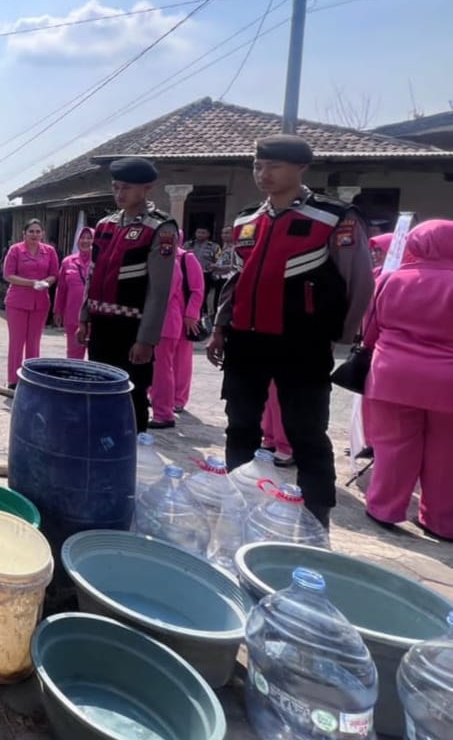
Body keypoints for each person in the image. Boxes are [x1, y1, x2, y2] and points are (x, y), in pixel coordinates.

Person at [208, 134, 374, 528]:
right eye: (257, 166)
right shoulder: (247, 218)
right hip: (246, 339)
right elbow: (237, 277)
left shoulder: (334, 216)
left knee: (307, 433)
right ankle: (238, 497)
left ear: (301, 168)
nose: (262, 174)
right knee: (241, 423)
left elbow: (360, 281)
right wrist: (219, 325)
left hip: (303, 341)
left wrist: (344, 334)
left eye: (273, 166)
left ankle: (318, 516)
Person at [362, 220, 453, 540]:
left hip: (393, 374)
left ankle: (384, 508)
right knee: (446, 453)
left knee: (393, 446)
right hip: (447, 382)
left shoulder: (391, 279)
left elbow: (370, 329)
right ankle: (441, 521)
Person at [77, 158, 177, 432]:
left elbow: (159, 289)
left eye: (127, 188)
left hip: (133, 328)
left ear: (147, 188)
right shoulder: (106, 225)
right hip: (101, 325)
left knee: (131, 396)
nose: (120, 194)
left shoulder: (160, 228)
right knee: (98, 390)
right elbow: (92, 274)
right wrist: (84, 316)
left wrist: (146, 339)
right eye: (116, 187)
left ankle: (132, 456)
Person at [149, 246, 204, 428]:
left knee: (178, 362)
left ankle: (176, 401)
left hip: (174, 318)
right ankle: (160, 399)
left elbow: (197, 290)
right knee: (162, 367)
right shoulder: (160, 258)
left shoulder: (183, 258)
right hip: (166, 319)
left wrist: (191, 314)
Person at [3, 219, 59, 388]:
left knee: (34, 342)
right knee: (17, 342)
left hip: (40, 302)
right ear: (24, 234)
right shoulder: (16, 250)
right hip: (17, 302)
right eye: (31, 231)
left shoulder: (49, 251)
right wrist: (32, 283)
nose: (34, 234)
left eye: (37, 231)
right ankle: (13, 380)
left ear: (42, 234)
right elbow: (8, 275)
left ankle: (31, 378)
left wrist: (46, 283)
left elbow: (54, 274)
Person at [53, 226, 94, 360]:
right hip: (72, 315)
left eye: (89, 238)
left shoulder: (100, 261)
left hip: (94, 317)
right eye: (82, 238)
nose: (85, 241)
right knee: (73, 357)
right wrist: (58, 310)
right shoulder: (68, 262)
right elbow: (61, 289)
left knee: (95, 358)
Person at [184, 227, 219, 313]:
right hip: (189, 274)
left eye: (203, 233)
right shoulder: (188, 245)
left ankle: (202, 315)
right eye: (198, 232)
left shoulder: (214, 247)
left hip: (205, 275)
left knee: (202, 296)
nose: (200, 235)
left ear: (208, 234)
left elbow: (219, 260)